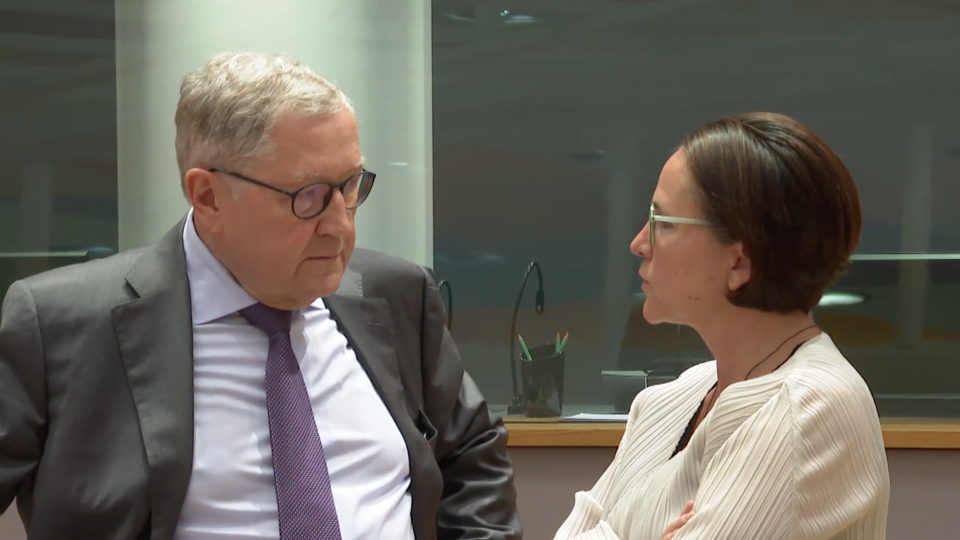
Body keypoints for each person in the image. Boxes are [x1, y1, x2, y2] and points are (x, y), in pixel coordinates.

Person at [0, 52, 521, 540]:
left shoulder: (397, 295)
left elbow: (471, 451)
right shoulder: (59, 325)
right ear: (208, 197)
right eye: (309, 196)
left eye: (351, 186)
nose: (340, 226)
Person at [554, 113, 889, 540]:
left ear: (739, 262)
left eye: (664, 224)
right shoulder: (671, 398)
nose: (639, 243)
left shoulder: (808, 408)